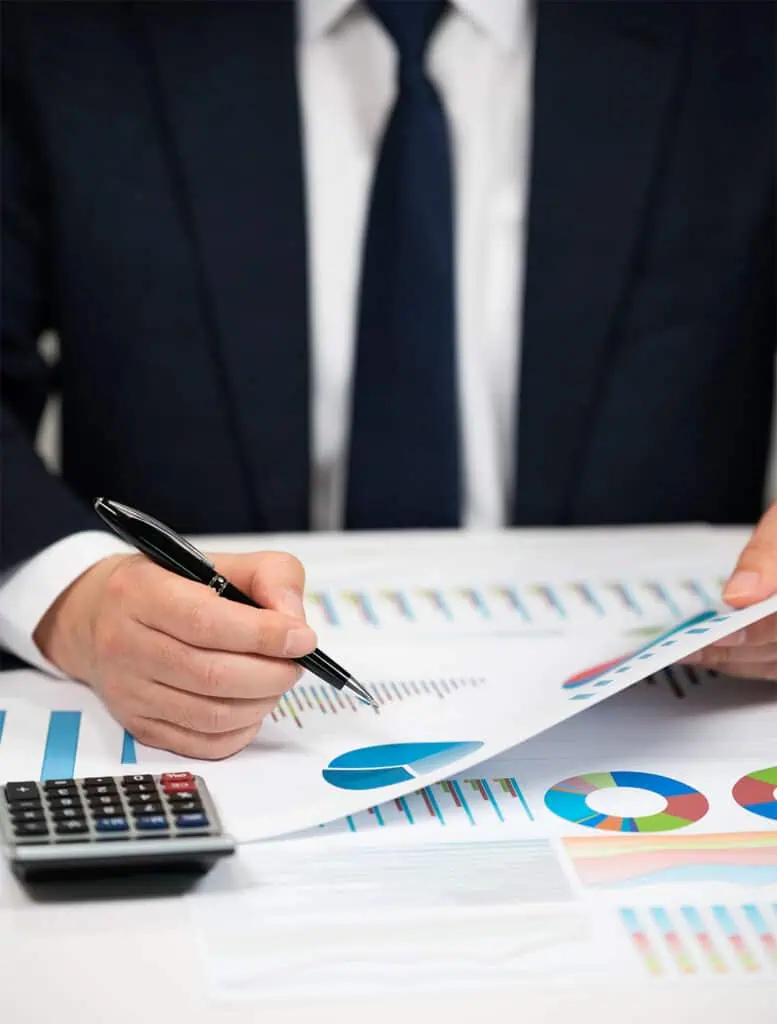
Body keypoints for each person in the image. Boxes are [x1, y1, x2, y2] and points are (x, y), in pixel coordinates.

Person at [1, 1, 775, 759]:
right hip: (207, 737)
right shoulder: (56, 28)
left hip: (672, 725)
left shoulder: (738, 31)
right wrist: (74, 600)